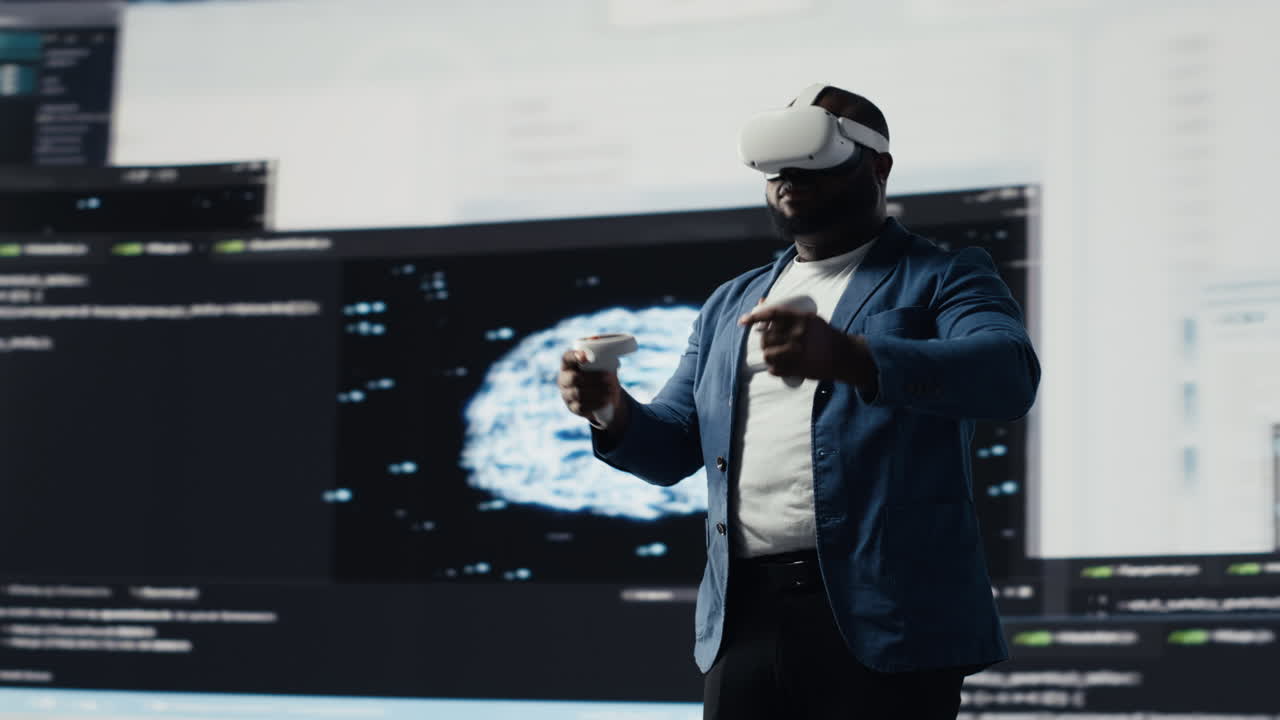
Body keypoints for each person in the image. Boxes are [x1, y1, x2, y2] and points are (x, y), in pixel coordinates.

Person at [558, 84, 1040, 719]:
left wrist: (850, 358)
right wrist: (610, 408)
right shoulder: (730, 302)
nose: (789, 178)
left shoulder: (943, 276)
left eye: (813, 160)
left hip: (887, 624)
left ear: (878, 166)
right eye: (777, 167)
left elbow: (1008, 374)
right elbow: (674, 445)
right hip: (745, 620)